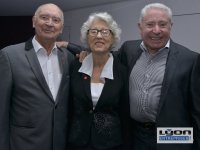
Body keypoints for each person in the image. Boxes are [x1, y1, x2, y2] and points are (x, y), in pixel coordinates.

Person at [60, 3, 200, 150]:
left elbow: (197, 113)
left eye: (163, 24)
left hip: (171, 136)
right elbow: (102, 51)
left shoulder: (190, 60)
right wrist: (74, 48)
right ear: (140, 27)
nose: (156, 30)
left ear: (171, 26)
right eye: (150, 24)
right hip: (136, 135)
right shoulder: (129, 50)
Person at [0, 3, 74, 150]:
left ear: (61, 27)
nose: (49, 23)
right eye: (44, 18)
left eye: (56, 20)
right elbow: (2, 109)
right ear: (34, 21)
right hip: (24, 143)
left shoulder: (68, 58)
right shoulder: (9, 56)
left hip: (59, 143)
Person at [67, 12, 130, 150]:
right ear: (87, 37)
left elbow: (125, 113)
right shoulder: (75, 66)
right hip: (77, 142)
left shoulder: (122, 71)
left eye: (105, 32)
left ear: (113, 38)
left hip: (111, 144)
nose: (99, 36)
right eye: (94, 31)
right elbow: (69, 107)